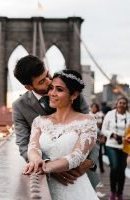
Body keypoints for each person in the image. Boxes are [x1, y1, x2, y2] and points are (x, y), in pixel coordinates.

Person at [12, 55, 99, 188]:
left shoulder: (73, 94)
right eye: (41, 81)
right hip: (48, 179)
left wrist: (89, 161)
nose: (48, 82)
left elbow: (90, 130)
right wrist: (48, 165)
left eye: (48, 74)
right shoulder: (20, 106)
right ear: (28, 87)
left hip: (80, 174)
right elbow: (24, 143)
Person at [101, 96, 130, 200]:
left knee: (122, 170)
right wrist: (112, 134)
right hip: (111, 144)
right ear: (116, 104)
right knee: (114, 167)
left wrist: (127, 138)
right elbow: (103, 129)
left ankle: (120, 193)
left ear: (127, 105)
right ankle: (113, 192)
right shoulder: (110, 114)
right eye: (120, 102)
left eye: (124, 103)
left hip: (124, 145)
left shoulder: (129, 116)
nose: (122, 104)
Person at [89, 103, 105, 173]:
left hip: (99, 136)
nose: (93, 109)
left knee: (99, 152)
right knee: (91, 153)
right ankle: (93, 166)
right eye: (92, 107)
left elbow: (102, 125)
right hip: (90, 136)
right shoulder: (88, 115)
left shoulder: (101, 115)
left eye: (95, 107)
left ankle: (101, 167)